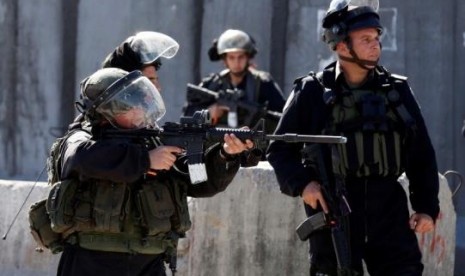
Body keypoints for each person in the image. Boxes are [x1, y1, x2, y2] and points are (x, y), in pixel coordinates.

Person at [267, 0, 439, 275]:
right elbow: (279, 149)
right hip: (334, 208)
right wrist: (303, 185)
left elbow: (421, 154)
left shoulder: (396, 91)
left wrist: (426, 208)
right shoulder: (312, 91)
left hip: (388, 210)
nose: (376, 45)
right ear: (342, 45)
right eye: (366, 39)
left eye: (377, 38)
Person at [54, 53, 254, 275]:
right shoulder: (82, 138)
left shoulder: (153, 140)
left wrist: (225, 155)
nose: (140, 110)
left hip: (148, 262)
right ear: (107, 112)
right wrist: (146, 160)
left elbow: (198, 182)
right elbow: (80, 157)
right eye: (129, 105)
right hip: (92, 261)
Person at [183, 29, 286, 131]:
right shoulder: (212, 84)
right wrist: (208, 112)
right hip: (214, 144)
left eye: (241, 57)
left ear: (248, 57)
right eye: (231, 57)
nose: (236, 62)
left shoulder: (263, 83)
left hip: (251, 145)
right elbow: (187, 116)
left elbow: (282, 117)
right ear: (225, 60)